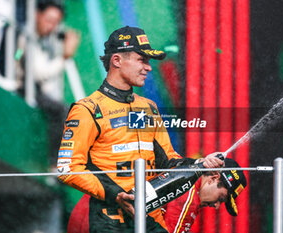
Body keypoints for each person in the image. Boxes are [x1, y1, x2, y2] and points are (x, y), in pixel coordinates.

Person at [57, 25, 223, 233]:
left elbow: (168, 161)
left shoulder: (149, 107)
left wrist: (198, 164)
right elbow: (68, 169)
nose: (149, 67)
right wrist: (116, 194)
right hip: (108, 221)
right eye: (141, 60)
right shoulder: (87, 109)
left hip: (149, 218)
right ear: (116, 60)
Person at [13, 1, 80, 166]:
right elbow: (39, 73)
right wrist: (65, 56)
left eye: (56, 23)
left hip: (32, 88)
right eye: (49, 20)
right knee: (61, 111)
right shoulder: (24, 35)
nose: (51, 27)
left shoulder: (41, 40)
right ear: (37, 14)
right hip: (19, 87)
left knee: (70, 111)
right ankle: (54, 164)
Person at [162, 158, 247, 233]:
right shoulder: (190, 200)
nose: (217, 206)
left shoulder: (184, 168)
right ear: (213, 178)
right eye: (221, 198)